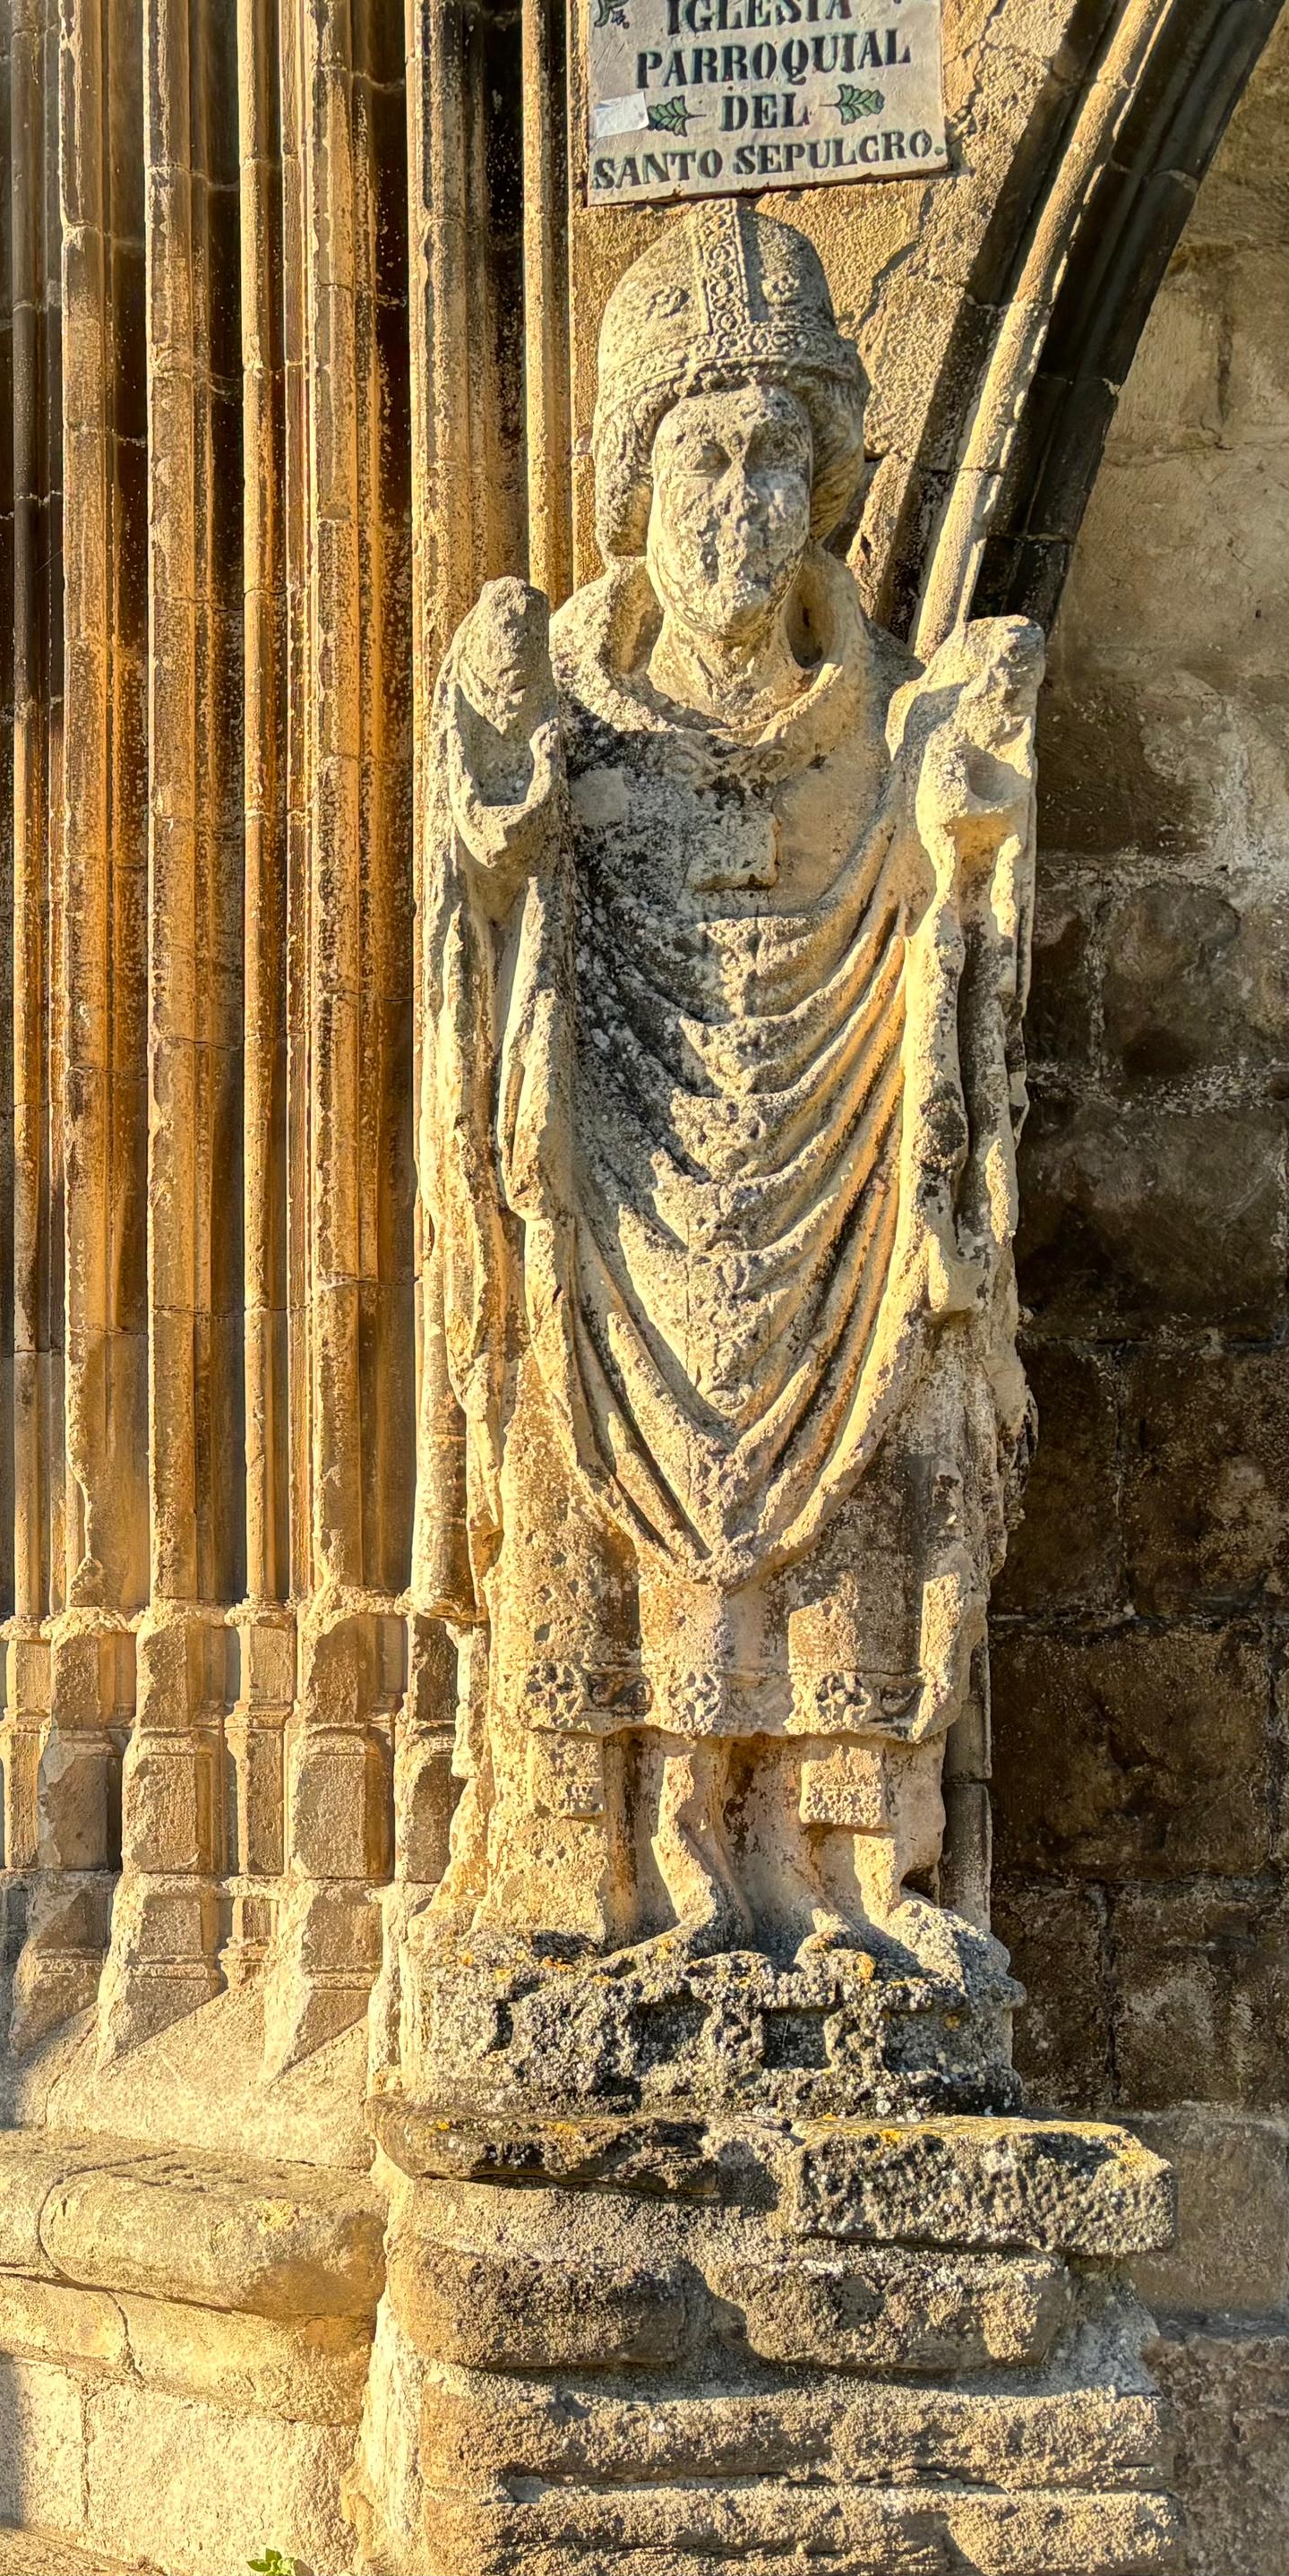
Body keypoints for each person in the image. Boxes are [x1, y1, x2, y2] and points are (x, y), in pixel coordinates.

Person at [408, 202, 1047, 2040]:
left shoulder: (888, 715)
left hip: (835, 1183)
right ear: (634, 470)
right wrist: (502, 795)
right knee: (570, 1423)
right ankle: (611, 1851)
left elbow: (954, 933)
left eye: (783, 453)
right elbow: (491, 917)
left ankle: (847, 1872)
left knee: (877, 1441)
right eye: (703, 451)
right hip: (618, 1192)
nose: (744, 499)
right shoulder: (572, 707)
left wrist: (967, 835)